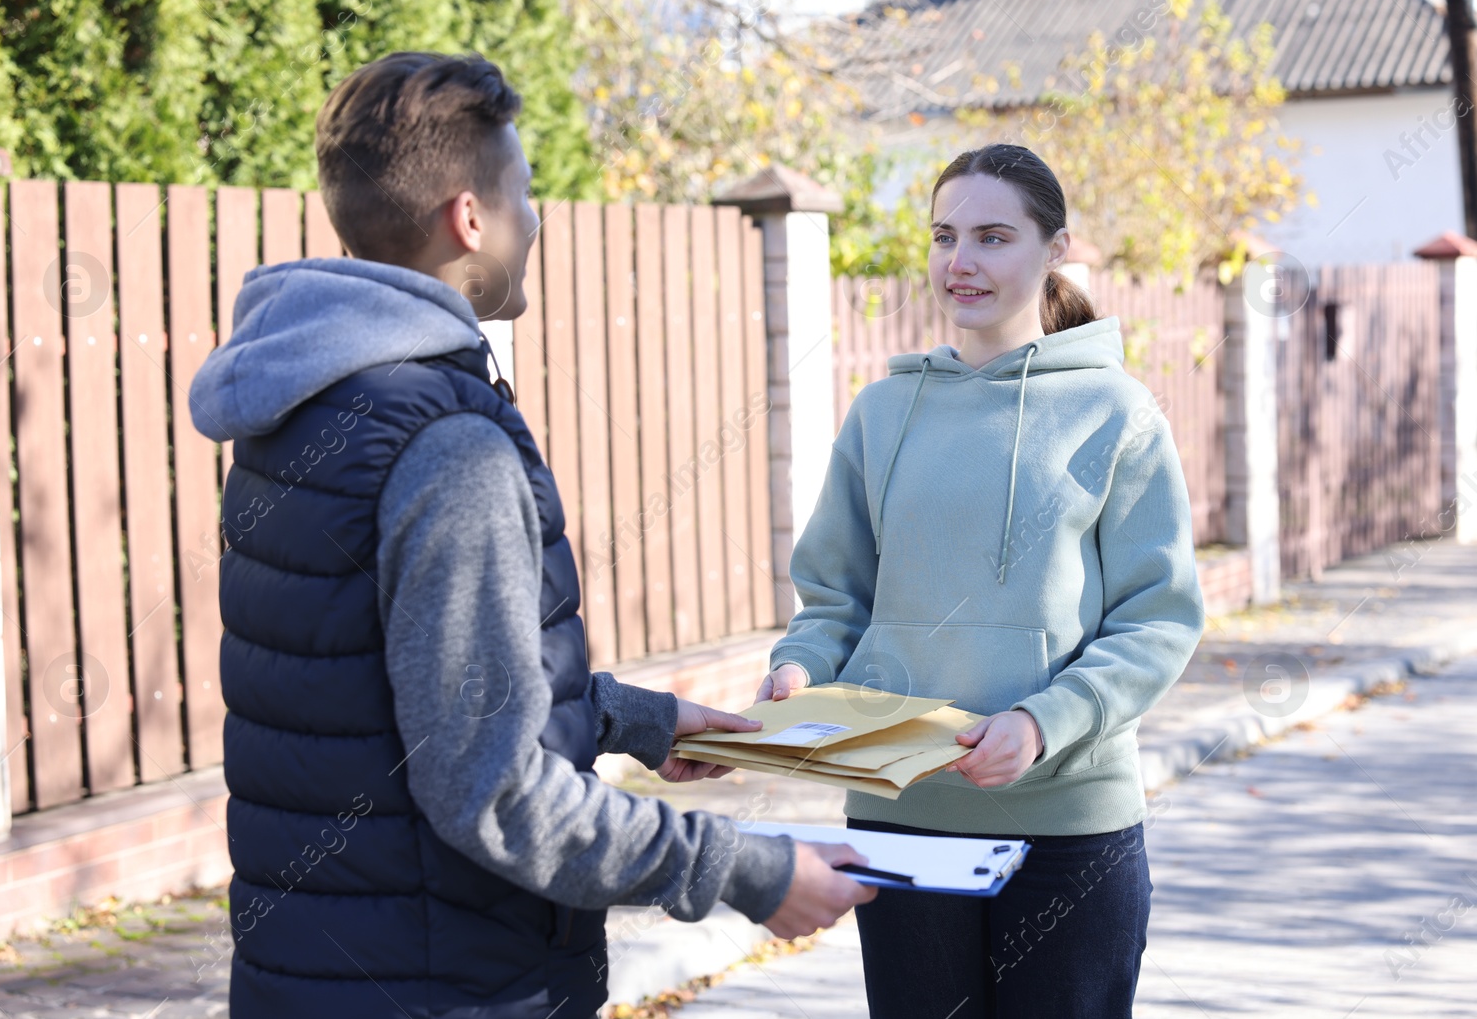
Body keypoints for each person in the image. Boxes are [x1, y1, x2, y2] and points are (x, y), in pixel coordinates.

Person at [188, 51, 875, 1019]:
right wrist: (749, 868)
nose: (539, 217)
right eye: (524, 191)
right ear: (469, 219)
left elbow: (398, 697)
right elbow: (495, 789)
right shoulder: (447, 448)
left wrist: (638, 719)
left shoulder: (307, 400)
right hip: (453, 987)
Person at [756, 142, 1206, 1018]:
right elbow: (835, 598)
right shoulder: (883, 413)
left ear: (1055, 249)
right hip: (902, 821)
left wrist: (1045, 722)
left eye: (993, 237)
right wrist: (799, 670)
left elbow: (1159, 618)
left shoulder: (1117, 412)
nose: (960, 263)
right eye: (943, 236)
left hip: (1070, 827)